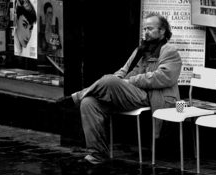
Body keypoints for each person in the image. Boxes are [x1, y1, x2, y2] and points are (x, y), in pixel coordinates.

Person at [56, 13, 182, 165]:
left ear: (162, 31)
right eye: (144, 29)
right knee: (89, 102)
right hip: (132, 93)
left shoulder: (169, 51)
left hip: (152, 96)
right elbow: (123, 70)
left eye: (150, 28)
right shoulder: (140, 50)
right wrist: (119, 80)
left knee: (109, 81)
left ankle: (76, 97)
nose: (146, 32)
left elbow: (164, 77)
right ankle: (97, 154)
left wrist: (129, 81)